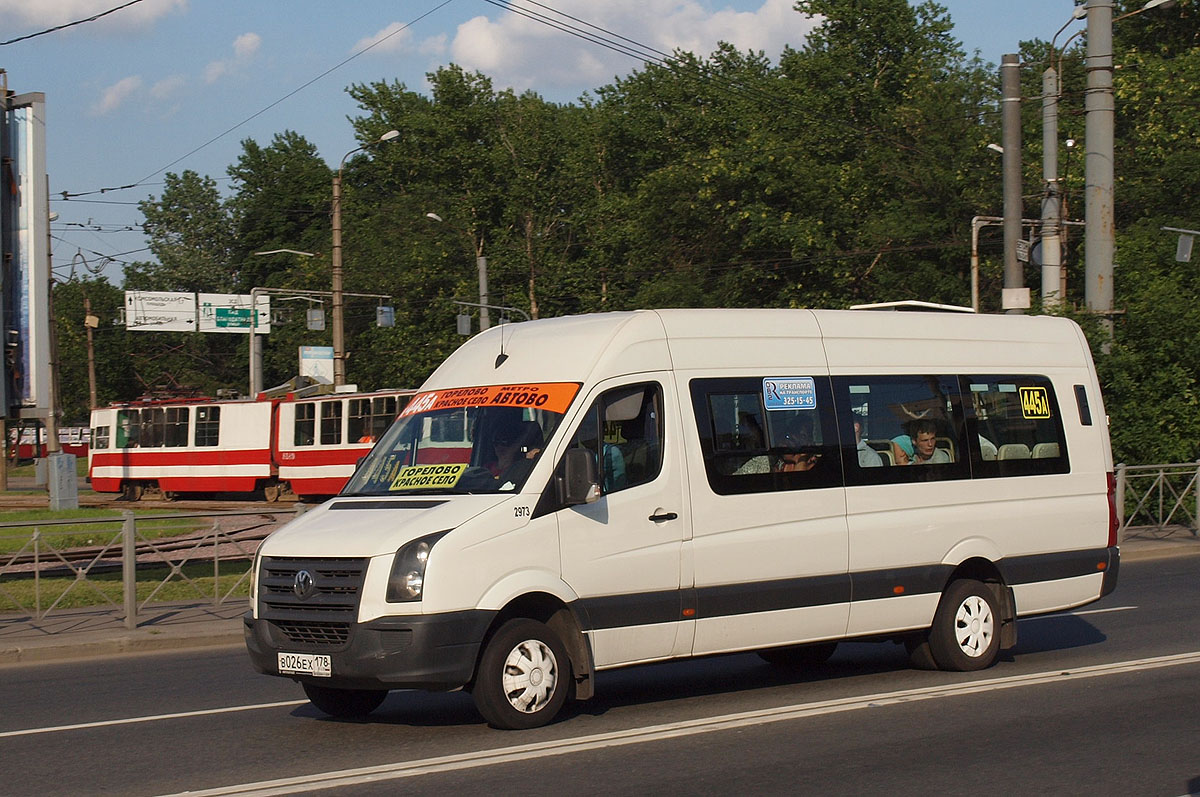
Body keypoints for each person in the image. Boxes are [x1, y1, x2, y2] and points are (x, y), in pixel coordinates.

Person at [734, 414, 821, 475]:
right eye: (791, 433)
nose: (793, 438)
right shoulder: (764, 462)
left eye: (802, 435)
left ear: (810, 442)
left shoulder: (814, 464)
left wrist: (801, 459)